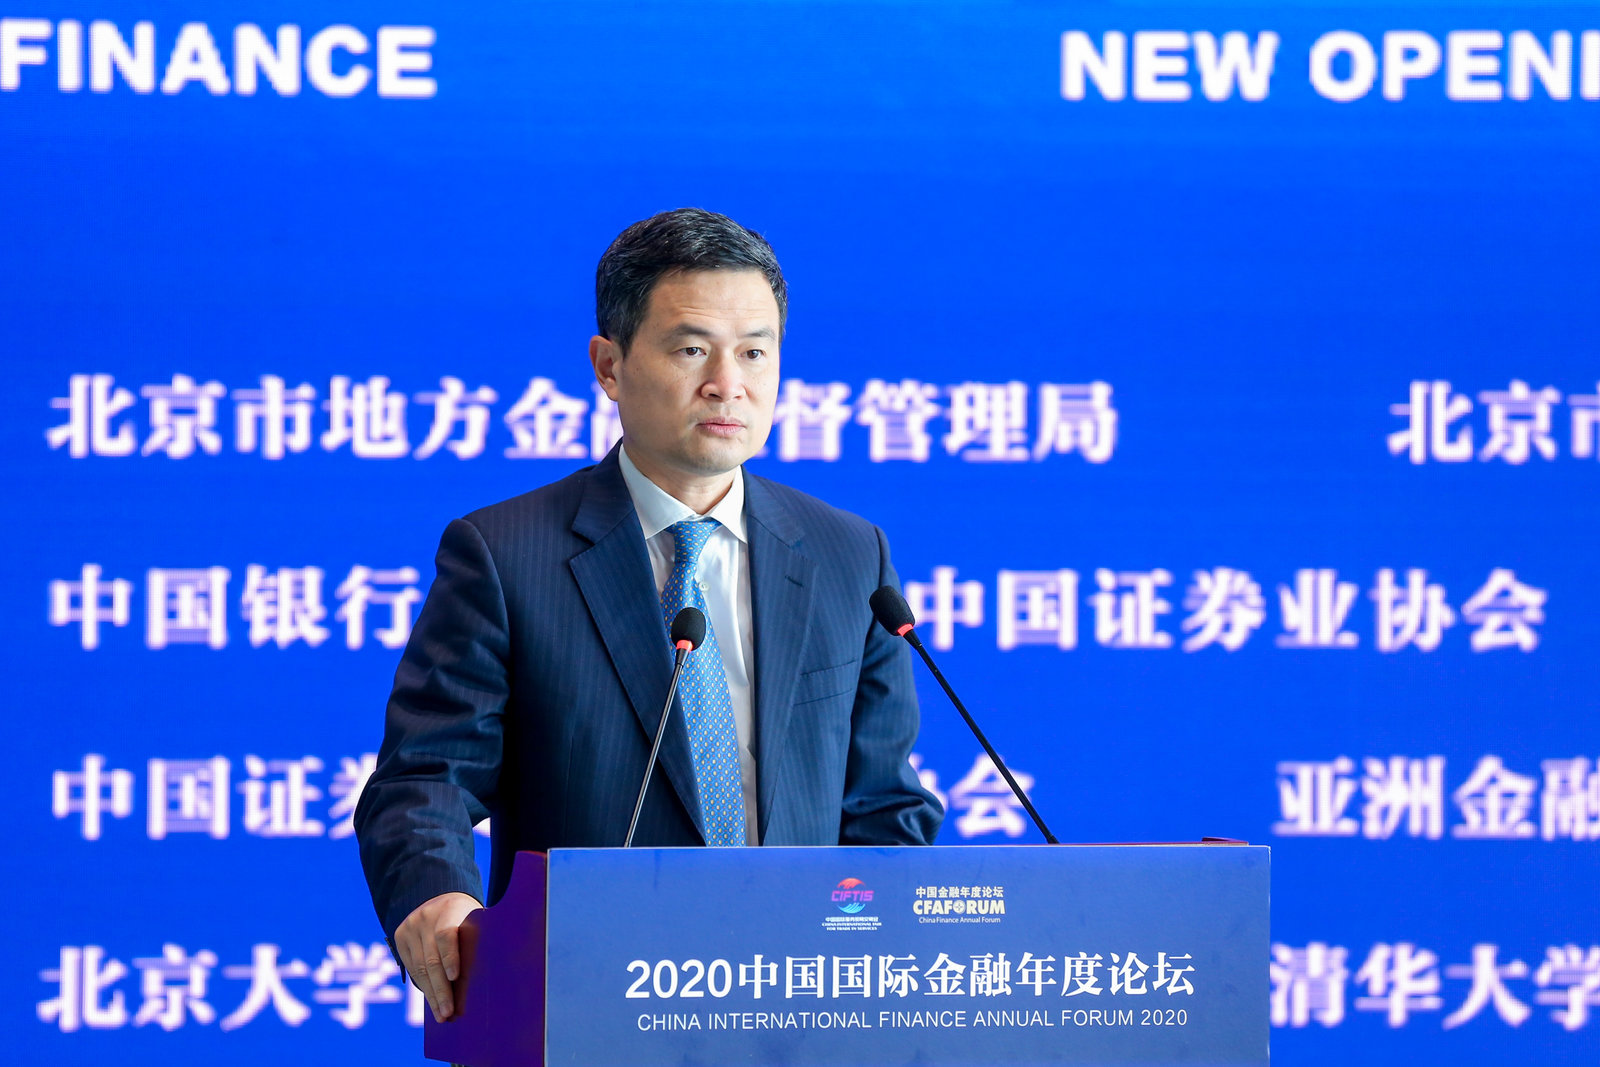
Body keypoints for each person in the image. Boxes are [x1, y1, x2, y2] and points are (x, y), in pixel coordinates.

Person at [353, 207, 942, 1024]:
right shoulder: (505, 554)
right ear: (609, 365)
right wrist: (439, 893)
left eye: (755, 351)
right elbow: (427, 777)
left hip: (798, 1017)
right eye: (692, 349)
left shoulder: (849, 556)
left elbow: (882, 806)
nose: (728, 383)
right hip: (587, 1001)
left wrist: (868, 957)